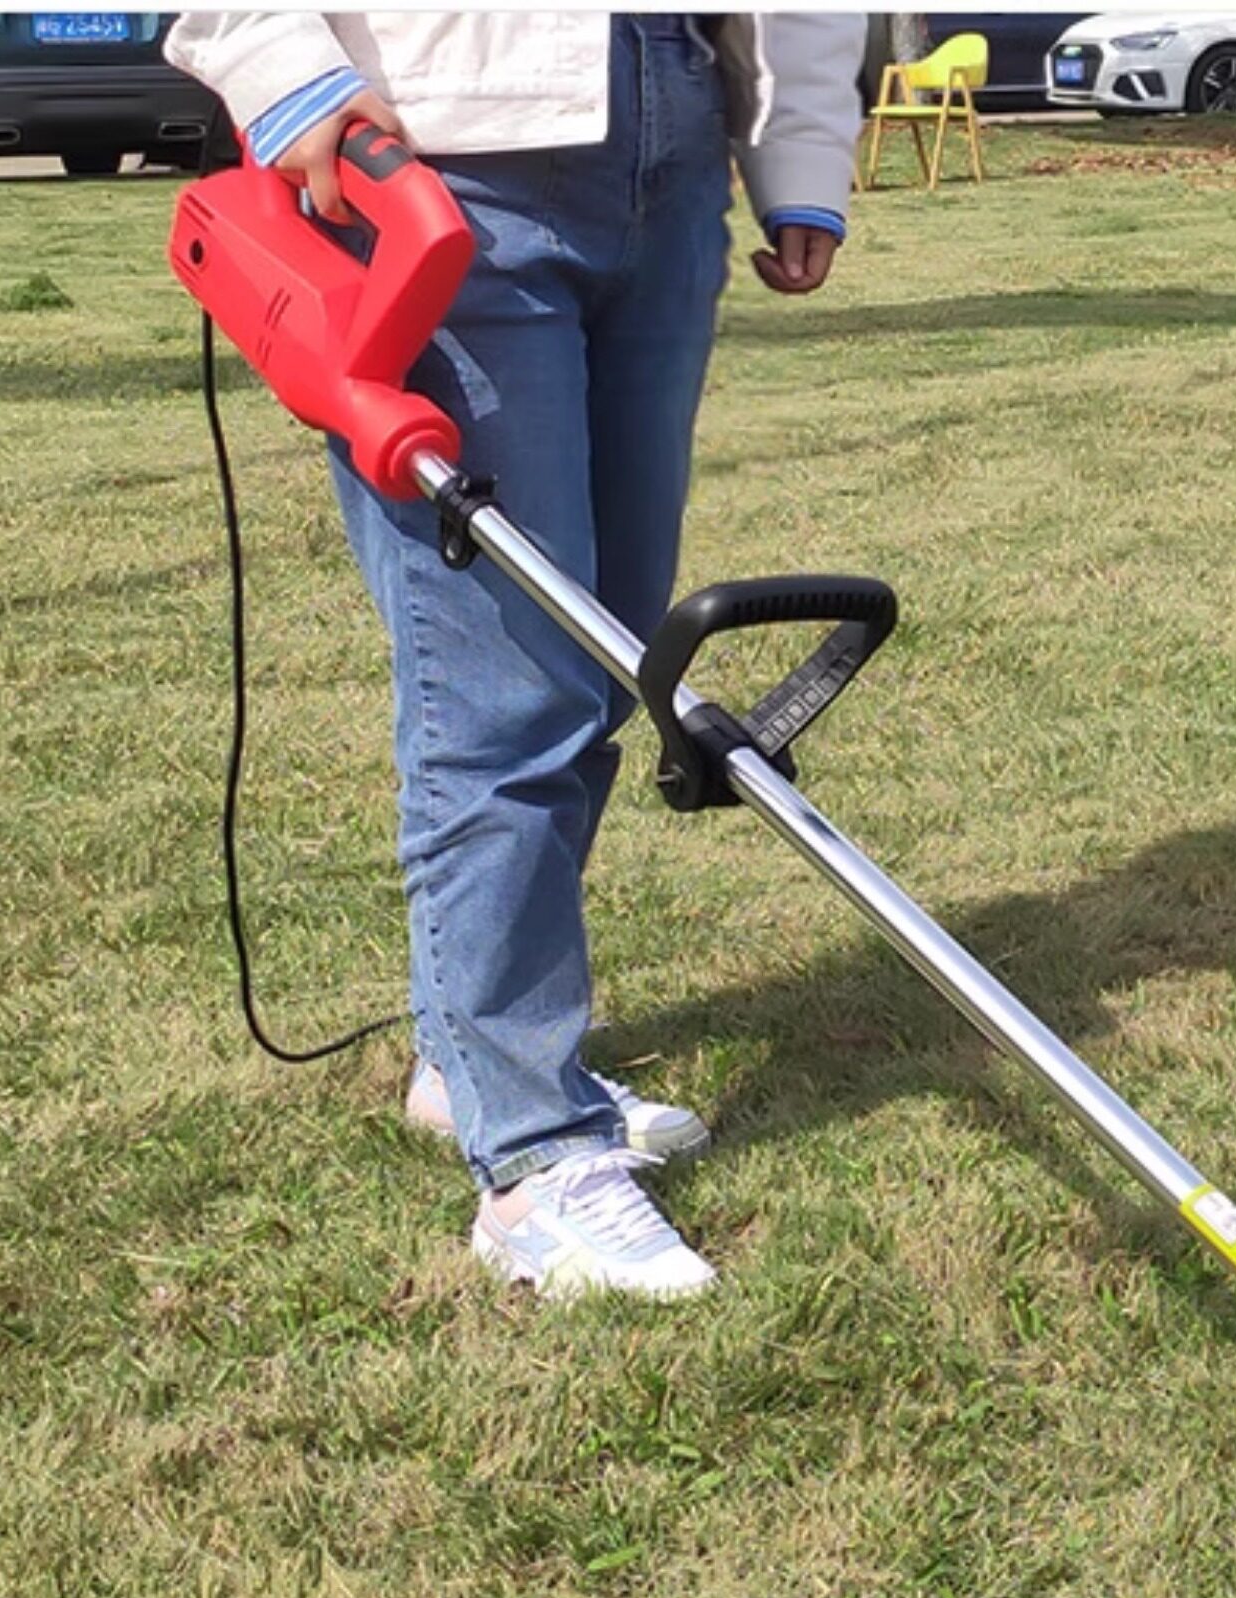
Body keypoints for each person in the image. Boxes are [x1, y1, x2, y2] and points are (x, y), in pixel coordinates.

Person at [166, 12, 866, 1299]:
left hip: (671, 140)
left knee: (603, 659)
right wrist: (287, 78)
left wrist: (802, 149)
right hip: (439, 151)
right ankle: (536, 1158)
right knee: (507, 684)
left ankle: (468, 1059)